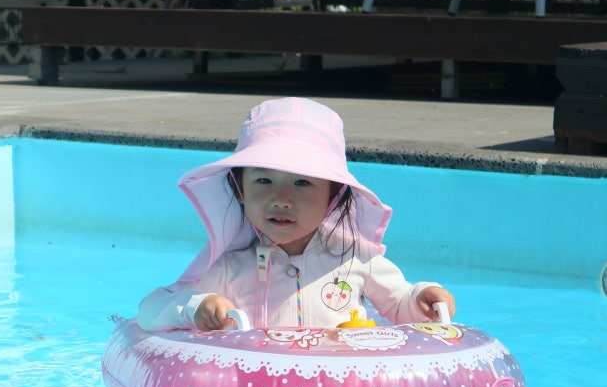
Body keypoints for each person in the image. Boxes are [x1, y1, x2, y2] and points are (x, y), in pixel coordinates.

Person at [138, 97, 455, 332]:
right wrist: (197, 308)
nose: (281, 199)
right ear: (240, 190)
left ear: (333, 195)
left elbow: (400, 305)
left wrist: (424, 298)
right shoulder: (230, 266)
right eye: (264, 180)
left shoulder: (355, 257)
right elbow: (150, 310)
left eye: (302, 183)